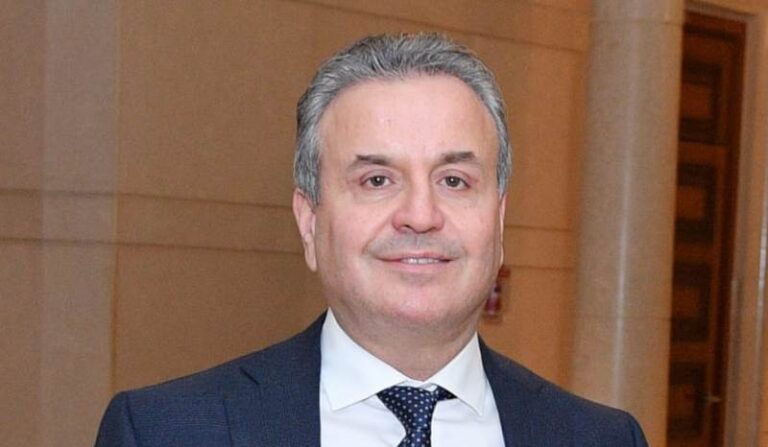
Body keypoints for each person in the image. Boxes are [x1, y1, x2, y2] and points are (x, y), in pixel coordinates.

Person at [95, 33, 648, 446]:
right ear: (310, 221)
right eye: (377, 180)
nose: (420, 216)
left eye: (454, 181)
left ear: (498, 222)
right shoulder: (165, 433)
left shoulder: (601, 438)